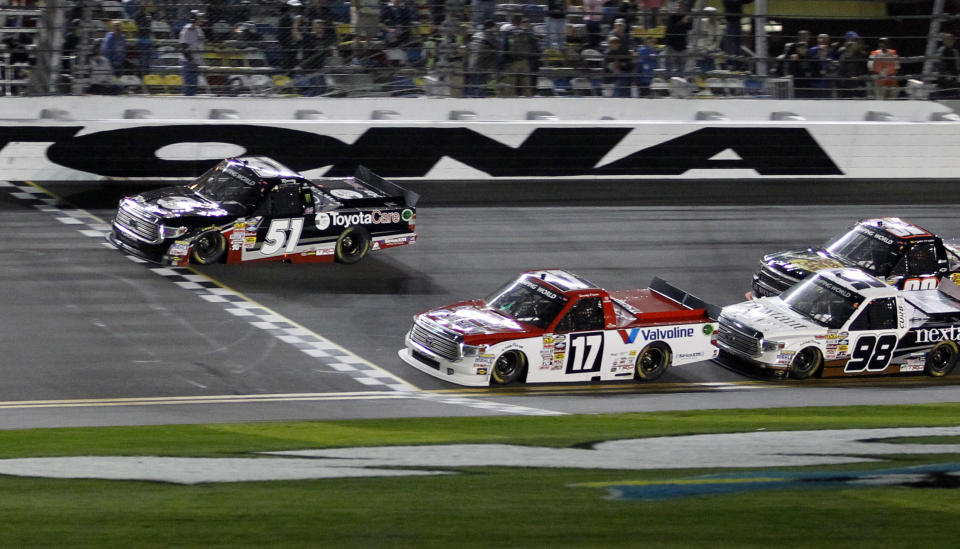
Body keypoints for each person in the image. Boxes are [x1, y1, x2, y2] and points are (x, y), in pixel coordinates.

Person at [498, 14, 540, 97]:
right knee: (526, 86)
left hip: (512, 62)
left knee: (512, 86)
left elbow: (504, 47)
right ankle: (529, 102)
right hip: (525, 62)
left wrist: (502, 62)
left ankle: (512, 104)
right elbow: (534, 46)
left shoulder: (509, 32)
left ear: (512, 22)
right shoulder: (527, 32)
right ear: (521, 21)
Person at [466, 19, 499, 97]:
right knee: (481, 87)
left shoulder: (476, 35)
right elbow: (498, 46)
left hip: (472, 65)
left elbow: (469, 47)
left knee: (473, 86)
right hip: (483, 66)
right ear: (491, 27)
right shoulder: (489, 36)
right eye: (494, 27)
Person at [179, 10, 205, 96]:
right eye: (199, 18)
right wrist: (191, 60)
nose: (201, 19)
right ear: (194, 19)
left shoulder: (198, 30)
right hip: (188, 61)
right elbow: (183, 47)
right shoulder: (187, 29)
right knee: (188, 86)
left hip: (195, 61)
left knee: (194, 86)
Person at [689, 5, 723, 73]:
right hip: (700, 48)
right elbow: (695, 36)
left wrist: (711, 48)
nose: (712, 17)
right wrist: (702, 48)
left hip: (711, 50)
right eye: (710, 15)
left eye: (713, 15)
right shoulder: (701, 23)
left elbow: (718, 40)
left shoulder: (717, 26)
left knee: (710, 65)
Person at [781, 30, 813, 97]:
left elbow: (812, 59)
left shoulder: (810, 47)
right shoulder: (793, 46)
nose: (804, 37)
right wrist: (791, 57)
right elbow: (785, 58)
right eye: (802, 35)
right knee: (797, 93)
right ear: (799, 37)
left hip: (807, 75)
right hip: (796, 74)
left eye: (806, 36)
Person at [836, 30, 868, 98]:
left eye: (856, 40)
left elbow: (864, 70)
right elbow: (840, 72)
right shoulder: (841, 53)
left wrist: (860, 79)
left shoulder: (861, 55)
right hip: (846, 86)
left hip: (859, 85)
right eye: (854, 39)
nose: (855, 42)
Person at [663, 3, 693, 76]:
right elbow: (670, 30)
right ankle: (668, 80)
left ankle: (680, 82)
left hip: (682, 46)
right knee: (669, 67)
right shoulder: (672, 17)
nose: (679, 8)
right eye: (678, 7)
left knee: (682, 67)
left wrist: (690, 20)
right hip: (671, 45)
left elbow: (689, 27)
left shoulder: (686, 17)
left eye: (681, 7)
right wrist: (682, 22)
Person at [808, 33, 837, 98]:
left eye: (825, 38)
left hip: (828, 82)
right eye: (821, 38)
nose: (823, 40)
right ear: (817, 39)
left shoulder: (831, 50)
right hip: (815, 82)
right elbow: (810, 64)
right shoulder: (812, 50)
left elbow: (834, 63)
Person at [277, 0, 302, 70]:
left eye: (297, 7)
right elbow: (280, 33)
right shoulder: (284, 18)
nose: (296, 9)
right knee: (286, 63)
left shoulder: (300, 18)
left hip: (295, 44)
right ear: (289, 7)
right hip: (286, 45)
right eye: (294, 7)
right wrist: (287, 42)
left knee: (293, 62)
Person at [934, 32, 960, 99]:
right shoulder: (941, 50)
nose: (951, 41)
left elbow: (957, 65)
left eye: (952, 39)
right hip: (944, 79)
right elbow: (938, 64)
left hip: (953, 79)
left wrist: (957, 74)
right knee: (942, 97)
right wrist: (945, 74)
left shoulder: (955, 51)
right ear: (944, 41)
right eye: (949, 39)